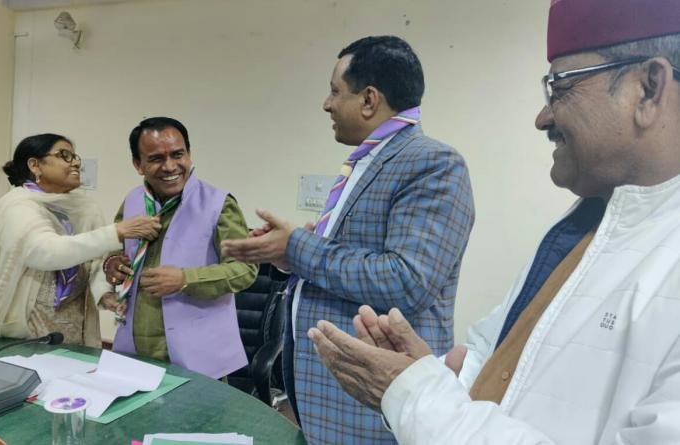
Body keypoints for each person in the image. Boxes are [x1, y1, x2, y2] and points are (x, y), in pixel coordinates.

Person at [309, 1, 680, 443]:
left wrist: (413, 395)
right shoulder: (583, 226)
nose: (543, 117)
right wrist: (439, 372)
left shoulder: (434, 164)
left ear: (648, 89)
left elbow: (407, 279)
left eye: (560, 88)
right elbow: (500, 359)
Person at [222, 36, 475, 443]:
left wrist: (297, 247)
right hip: (329, 397)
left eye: (335, 91)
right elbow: (351, 257)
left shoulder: (433, 163)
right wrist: (285, 254)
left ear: (369, 99)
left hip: (371, 410)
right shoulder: (366, 162)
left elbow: (407, 280)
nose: (327, 104)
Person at [0, 133, 161, 347]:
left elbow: (96, 261)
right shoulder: (17, 206)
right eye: (64, 155)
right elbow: (45, 251)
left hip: (73, 325)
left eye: (75, 157)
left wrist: (104, 294)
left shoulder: (84, 208)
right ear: (35, 165)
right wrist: (116, 232)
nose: (76, 163)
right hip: (28, 325)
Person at [102, 117, 257, 379]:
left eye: (177, 154)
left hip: (197, 354)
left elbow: (245, 269)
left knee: (197, 408)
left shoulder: (219, 204)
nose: (170, 166)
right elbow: (117, 248)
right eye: (156, 158)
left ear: (189, 154)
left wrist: (185, 279)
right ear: (138, 164)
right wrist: (113, 264)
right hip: (136, 347)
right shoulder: (132, 200)